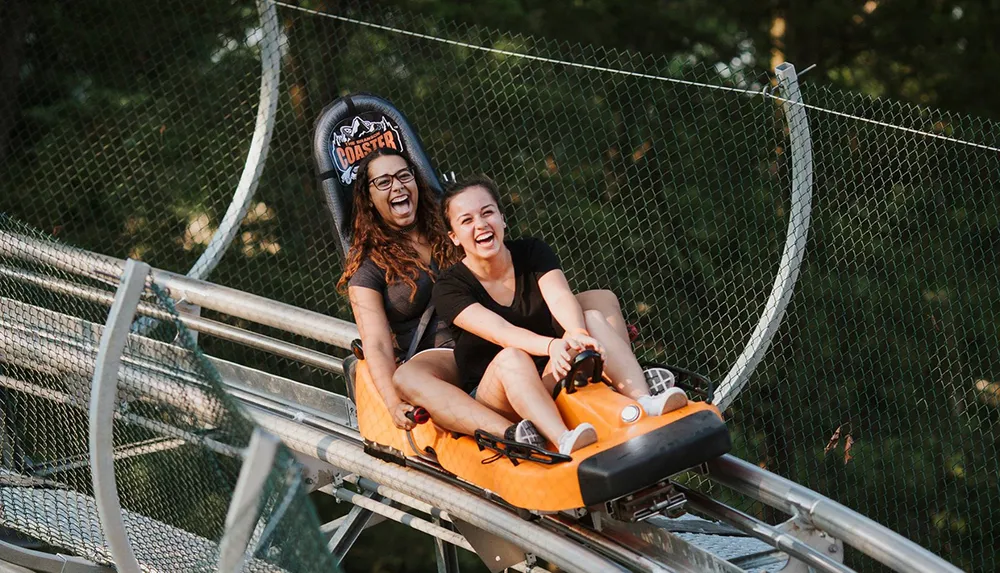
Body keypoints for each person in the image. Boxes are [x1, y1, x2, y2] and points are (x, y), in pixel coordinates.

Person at [432, 176, 688, 455]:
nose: (480, 224)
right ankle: (564, 439)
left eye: (487, 212)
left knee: (589, 318)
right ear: (454, 236)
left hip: (551, 372)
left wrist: (576, 333)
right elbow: (500, 331)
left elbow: (559, 295)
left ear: (502, 219)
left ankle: (644, 400)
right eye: (467, 220)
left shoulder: (531, 251)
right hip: (499, 394)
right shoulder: (448, 287)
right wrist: (553, 345)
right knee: (512, 357)